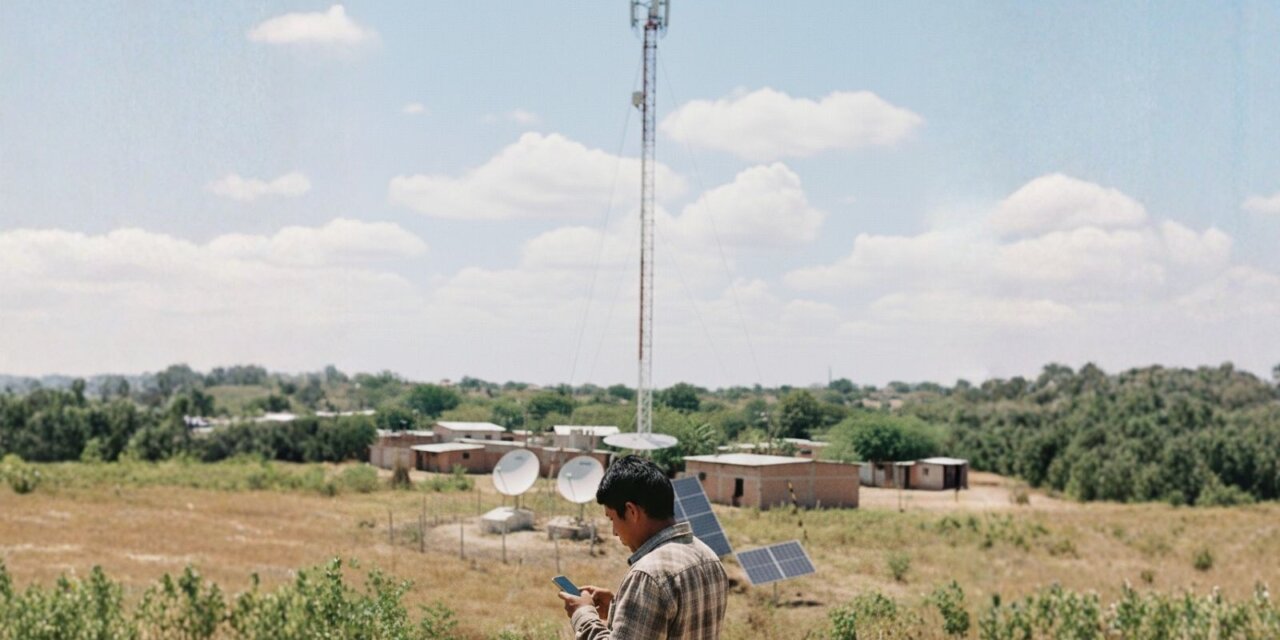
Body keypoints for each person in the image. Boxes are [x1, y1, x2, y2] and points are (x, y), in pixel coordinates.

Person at [558, 455, 727, 639]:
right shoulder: (710, 557)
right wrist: (619, 606)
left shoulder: (648, 576)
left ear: (631, 511)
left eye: (612, 519)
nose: (614, 532)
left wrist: (584, 614)